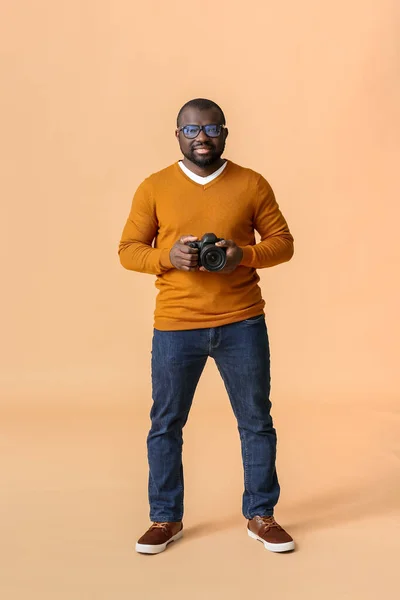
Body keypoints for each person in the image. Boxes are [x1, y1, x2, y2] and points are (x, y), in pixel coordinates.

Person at [118, 98, 295, 555]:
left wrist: (243, 254)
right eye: (192, 130)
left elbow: (283, 244)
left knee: (256, 421)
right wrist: (168, 256)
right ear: (177, 134)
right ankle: (165, 519)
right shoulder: (154, 187)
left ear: (225, 133)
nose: (202, 137)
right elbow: (128, 250)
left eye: (212, 128)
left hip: (242, 321)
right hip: (176, 325)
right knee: (166, 423)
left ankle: (262, 516)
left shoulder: (252, 183)